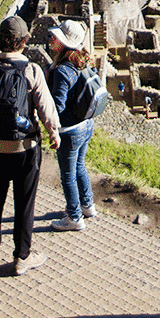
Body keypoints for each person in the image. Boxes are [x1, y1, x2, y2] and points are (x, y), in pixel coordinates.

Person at [0, 14, 61, 275]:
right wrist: (54, 134)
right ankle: (21, 257)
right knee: (24, 204)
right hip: (25, 149)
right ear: (25, 42)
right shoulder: (32, 71)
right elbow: (47, 111)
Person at [46, 19, 98, 232]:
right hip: (86, 124)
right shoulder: (82, 61)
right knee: (79, 167)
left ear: (65, 43)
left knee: (68, 175)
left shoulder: (62, 71)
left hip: (69, 130)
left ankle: (74, 217)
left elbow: (57, 107)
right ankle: (87, 205)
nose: (50, 39)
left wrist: (51, 129)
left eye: (55, 37)